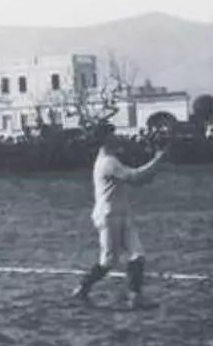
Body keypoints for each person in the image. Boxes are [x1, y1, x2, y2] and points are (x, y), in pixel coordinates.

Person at [72, 122, 169, 309]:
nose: (116, 138)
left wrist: (156, 163)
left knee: (138, 254)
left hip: (120, 213)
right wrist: (158, 160)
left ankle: (135, 296)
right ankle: (82, 288)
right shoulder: (108, 162)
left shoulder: (110, 160)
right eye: (112, 135)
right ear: (104, 139)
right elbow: (135, 178)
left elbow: (139, 179)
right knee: (108, 262)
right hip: (108, 216)